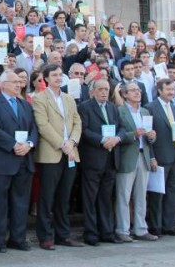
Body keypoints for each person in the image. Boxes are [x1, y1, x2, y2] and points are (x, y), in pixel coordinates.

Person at [0, 69, 38, 253]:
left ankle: (18, 238)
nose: (19, 85)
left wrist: (29, 144)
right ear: (3, 84)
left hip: (23, 160)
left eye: (20, 82)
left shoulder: (25, 105)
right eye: (15, 82)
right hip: (1, 161)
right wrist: (14, 145)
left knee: (21, 203)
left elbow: (34, 129)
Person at [31, 65, 84, 249]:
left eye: (60, 75)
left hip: (70, 153)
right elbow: (42, 125)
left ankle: (63, 234)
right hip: (51, 154)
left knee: (64, 197)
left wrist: (73, 142)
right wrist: (63, 144)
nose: (58, 78)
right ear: (45, 78)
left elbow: (77, 122)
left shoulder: (69, 98)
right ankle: (45, 236)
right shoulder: (39, 98)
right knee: (46, 198)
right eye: (54, 75)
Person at [77, 79, 127, 246]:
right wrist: (102, 140)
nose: (104, 92)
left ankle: (107, 232)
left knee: (106, 198)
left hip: (111, 158)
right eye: (101, 89)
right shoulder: (84, 107)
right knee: (90, 198)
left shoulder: (112, 107)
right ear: (93, 91)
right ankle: (91, 233)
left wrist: (116, 139)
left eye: (107, 89)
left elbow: (121, 127)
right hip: (93, 159)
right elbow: (84, 130)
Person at [115, 82, 159, 242]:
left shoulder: (145, 111)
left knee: (141, 195)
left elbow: (150, 139)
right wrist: (132, 134)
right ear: (125, 94)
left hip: (144, 155)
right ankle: (123, 230)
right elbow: (117, 134)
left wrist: (152, 136)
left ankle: (141, 229)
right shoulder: (120, 111)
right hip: (127, 156)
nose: (137, 93)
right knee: (124, 195)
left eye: (138, 90)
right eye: (132, 90)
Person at [146, 79, 175, 237]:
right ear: (159, 91)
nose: (171, 92)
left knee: (172, 194)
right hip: (160, 157)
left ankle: (169, 226)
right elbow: (147, 137)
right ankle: (156, 226)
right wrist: (152, 157)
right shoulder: (150, 108)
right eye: (168, 90)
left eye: (173, 90)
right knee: (157, 195)